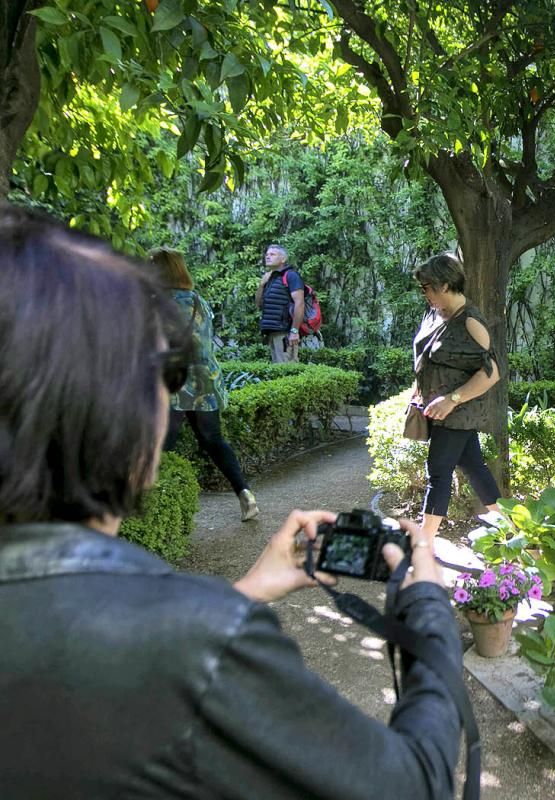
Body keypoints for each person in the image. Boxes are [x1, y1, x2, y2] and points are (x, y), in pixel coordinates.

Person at [0, 207, 461, 799]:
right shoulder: (193, 639)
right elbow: (415, 784)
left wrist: (244, 592)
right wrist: (426, 607)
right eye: (162, 382)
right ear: (119, 414)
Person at [147, 247, 259, 522]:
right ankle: (245, 493)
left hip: (173, 381)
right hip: (204, 380)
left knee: (162, 445)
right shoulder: (199, 301)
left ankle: (155, 513)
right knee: (213, 440)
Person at [412, 251, 502, 539]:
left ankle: (424, 542)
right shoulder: (435, 313)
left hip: (457, 412)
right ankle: (513, 525)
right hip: (437, 409)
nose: (424, 293)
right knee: (473, 465)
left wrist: (452, 399)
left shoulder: (470, 322)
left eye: (427, 287)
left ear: (446, 285)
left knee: (437, 472)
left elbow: (492, 372)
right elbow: (428, 356)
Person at [254, 243, 304, 362]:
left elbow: (300, 304)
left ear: (283, 259)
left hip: (285, 332)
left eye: (272, 254)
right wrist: (261, 284)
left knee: (286, 370)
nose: (268, 257)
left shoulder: (291, 276)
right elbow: (258, 304)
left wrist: (294, 331)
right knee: (277, 369)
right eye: (267, 254)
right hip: (273, 331)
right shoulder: (270, 278)